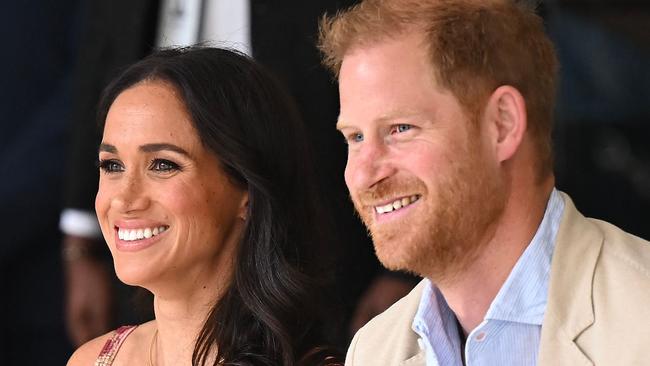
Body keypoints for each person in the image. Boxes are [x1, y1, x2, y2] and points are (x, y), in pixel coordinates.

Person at [318, 0, 650, 365]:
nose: (364, 175)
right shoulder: (372, 352)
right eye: (355, 137)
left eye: (400, 129)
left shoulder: (641, 316)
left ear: (502, 124)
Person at [67, 46, 341, 366]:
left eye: (163, 165)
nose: (124, 200)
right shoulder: (93, 360)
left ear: (248, 191)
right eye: (112, 165)